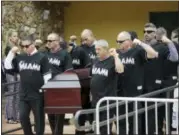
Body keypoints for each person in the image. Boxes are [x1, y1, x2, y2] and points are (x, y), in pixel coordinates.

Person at [4, 35, 51, 135]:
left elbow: (47, 76)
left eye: (27, 46)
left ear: (33, 44)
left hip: (38, 94)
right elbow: (7, 66)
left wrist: (46, 92)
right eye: (22, 46)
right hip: (24, 94)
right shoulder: (20, 57)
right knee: (23, 117)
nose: (25, 48)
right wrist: (11, 52)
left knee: (39, 120)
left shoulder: (42, 57)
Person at [116, 31, 158, 135]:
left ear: (129, 41)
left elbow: (154, 54)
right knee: (120, 119)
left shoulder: (137, 50)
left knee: (134, 119)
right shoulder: (117, 53)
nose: (118, 44)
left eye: (121, 41)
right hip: (120, 89)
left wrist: (140, 43)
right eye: (117, 41)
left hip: (134, 89)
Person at [143, 23, 178, 135]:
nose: (146, 34)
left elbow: (174, 58)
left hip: (163, 82)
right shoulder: (143, 46)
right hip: (146, 83)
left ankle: (167, 129)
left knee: (164, 108)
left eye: (149, 32)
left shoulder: (164, 47)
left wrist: (169, 42)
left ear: (155, 35)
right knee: (150, 111)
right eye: (144, 32)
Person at [90, 39, 124, 134]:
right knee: (97, 127)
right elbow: (93, 78)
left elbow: (120, 70)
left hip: (107, 101)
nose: (96, 52)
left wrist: (116, 56)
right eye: (95, 49)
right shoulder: (95, 60)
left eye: (99, 49)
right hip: (95, 101)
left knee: (105, 129)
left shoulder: (112, 60)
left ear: (105, 49)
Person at [45, 33, 73, 135]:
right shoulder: (45, 54)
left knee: (59, 115)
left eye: (50, 41)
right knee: (50, 114)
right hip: (48, 89)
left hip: (60, 89)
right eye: (47, 40)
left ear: (57, 42)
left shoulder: (65, 54)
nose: (47, 43)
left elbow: (69, 72)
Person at [4, 29, 20, 124]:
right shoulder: (9, 48)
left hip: (17, 74)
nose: (16, 37)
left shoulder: (16, 47)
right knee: (11, 95)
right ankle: (9, 117)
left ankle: (15, 116)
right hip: (10, 73)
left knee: (17, 95)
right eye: (14, 36)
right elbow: (9, 60)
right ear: (10, 38)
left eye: (16, 35)